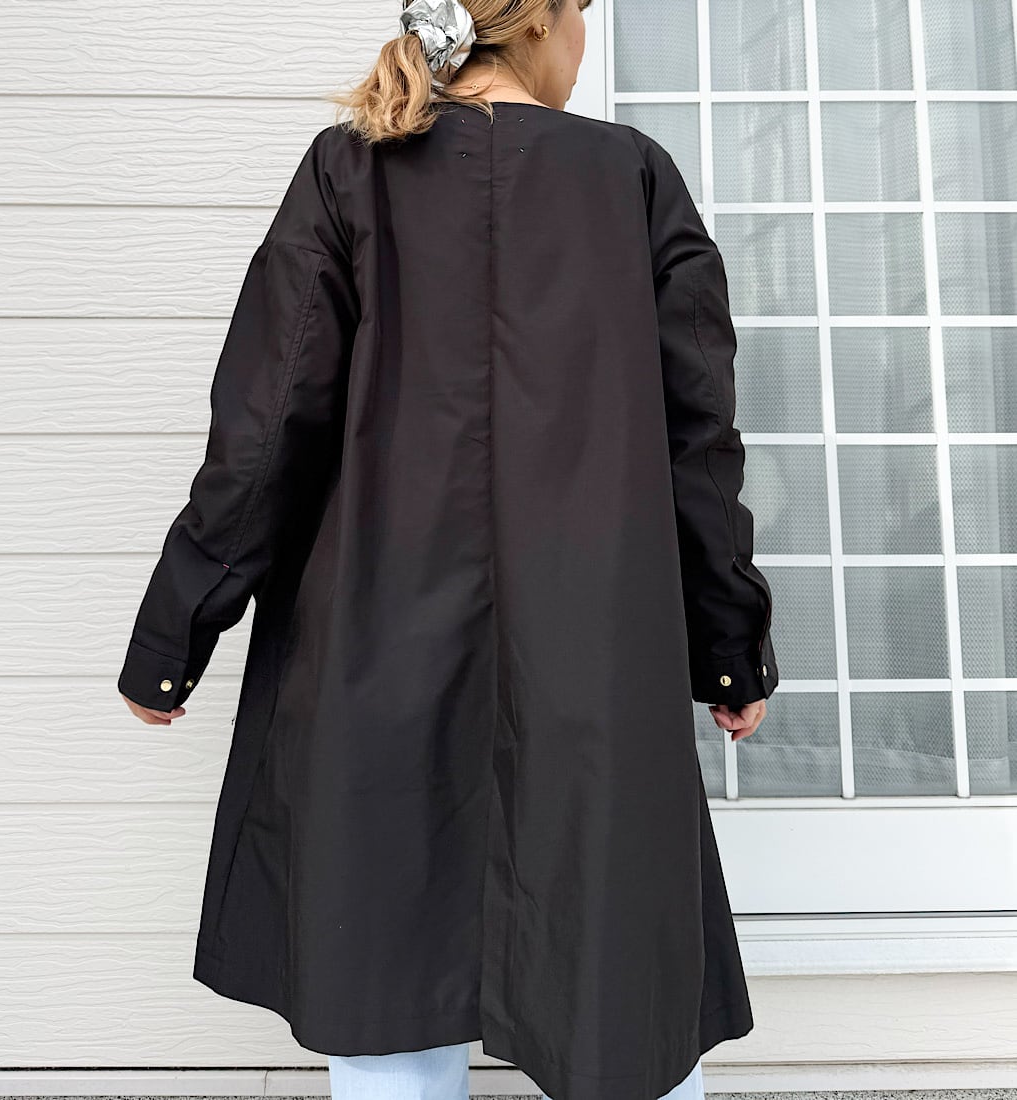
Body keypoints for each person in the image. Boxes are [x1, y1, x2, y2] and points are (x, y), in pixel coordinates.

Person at [116, 0, 780, 1097]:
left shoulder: (348, 170)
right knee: (623, 990)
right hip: (595, 663)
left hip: (371, 652)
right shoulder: (631, 175)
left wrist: (173, 638)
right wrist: (727, 645)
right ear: (545, 23)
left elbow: (264, 429)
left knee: (385, 993)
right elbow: (697, 444)